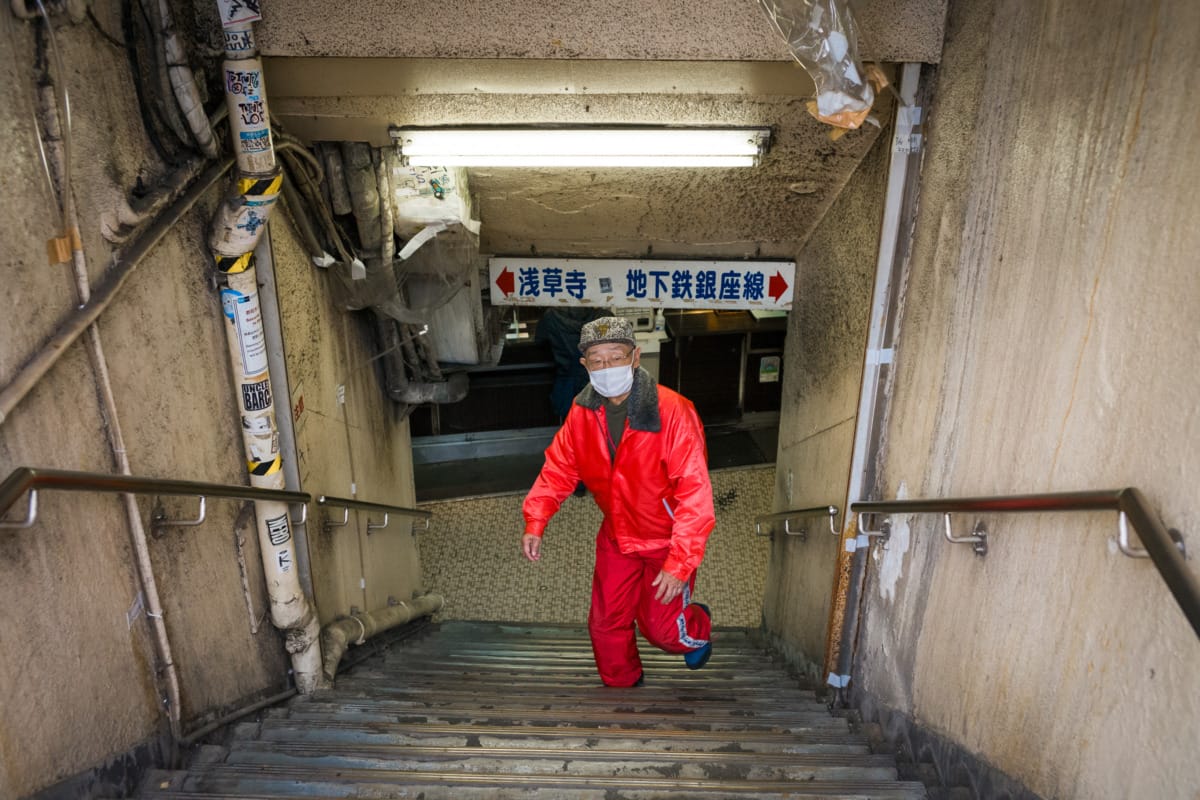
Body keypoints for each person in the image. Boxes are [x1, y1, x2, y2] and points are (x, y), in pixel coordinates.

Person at [521, 316, 716, 687]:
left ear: (635, 357)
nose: (607, 367)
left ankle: (698, 625)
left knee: (661, 630)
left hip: (666, 540)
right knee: (605, 621)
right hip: (617, 536)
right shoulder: (582, 414)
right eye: (597, 360)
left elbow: (695, 493)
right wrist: (536, 520)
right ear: (585, 365)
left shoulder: (673, 411)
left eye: (616, 356)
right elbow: (559, 469)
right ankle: (621, 685)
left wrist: (680, 563)